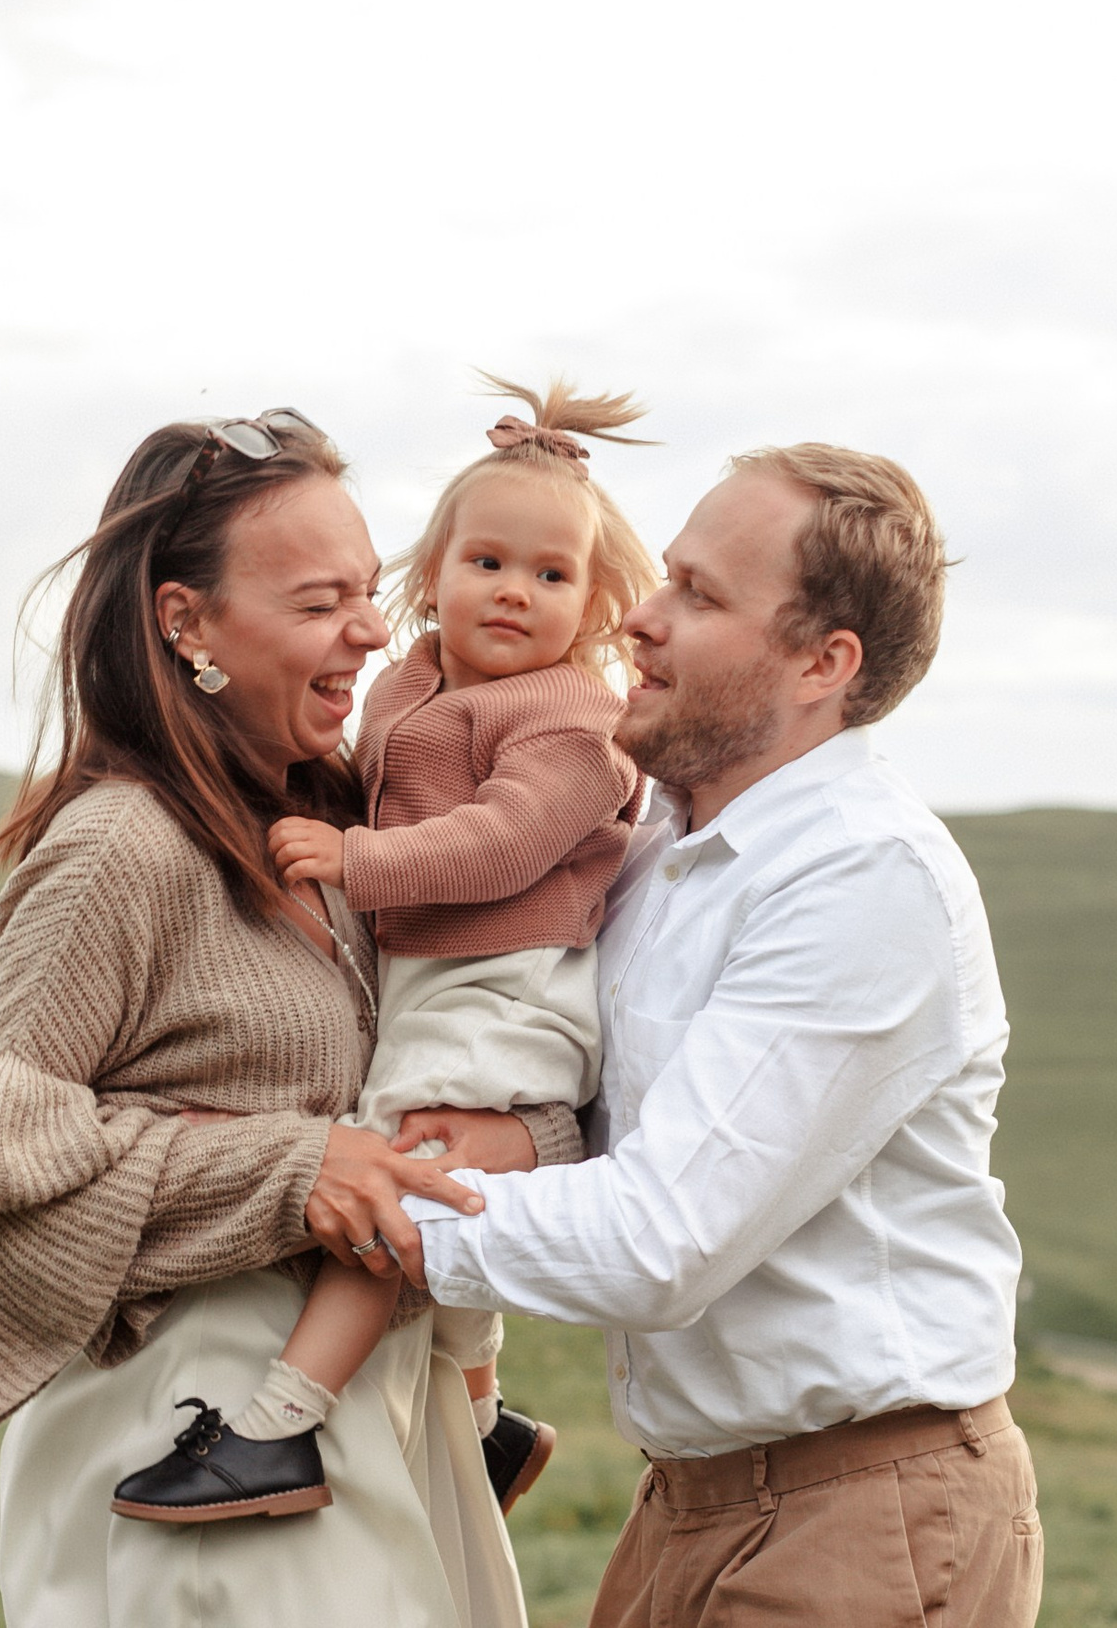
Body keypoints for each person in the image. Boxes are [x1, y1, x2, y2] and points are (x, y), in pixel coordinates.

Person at [0, 408, 580, 1628]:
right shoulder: (122, 846)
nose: (372, 630)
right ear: (185, 622)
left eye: (368, 593)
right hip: (192, 1441)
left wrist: (522, 1143)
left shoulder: (352, 834)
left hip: (353, 1427)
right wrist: (286, 1162)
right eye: (321, 602)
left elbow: (491, 1051)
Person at [396, 444, 1045, 1627]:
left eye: (698, 594)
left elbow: (658, 1239)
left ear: (820, 663)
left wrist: (346, 1202)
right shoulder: (654, 842)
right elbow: (610, 1121)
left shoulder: (861, 875)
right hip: (689, 1503)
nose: (637, 618)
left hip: (860, 1513)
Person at [113, 379, 659, 1524]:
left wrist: (357, 863)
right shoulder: (415, 677)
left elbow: (497, 845)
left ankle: (281, 1424)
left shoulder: (570, 721)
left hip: (508, 981)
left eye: (553, 577)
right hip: (438, 976)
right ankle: (480, 1413)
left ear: (596, 604)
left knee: (401, 1166)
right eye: (488, 563)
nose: (515, 594)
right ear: (436, 571)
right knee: (441, 1178)